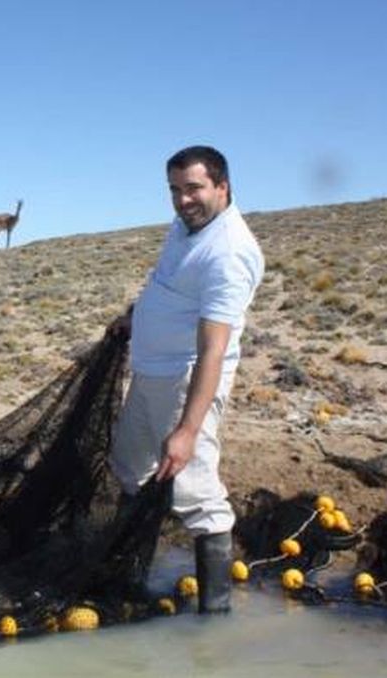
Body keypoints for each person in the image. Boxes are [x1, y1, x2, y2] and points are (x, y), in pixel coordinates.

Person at [109, 145, 264, 613]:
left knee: (196, 494)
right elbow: (166, 284)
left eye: (194, 188)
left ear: (223, 186)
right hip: (150, 374)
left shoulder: (229, 252)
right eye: (175, 190)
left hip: (184, 381)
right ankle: (128, 583)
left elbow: (213, 349)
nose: (182, 200)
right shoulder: (186, 227)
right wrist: (134, 318)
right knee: (130, 469)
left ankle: (212, 622)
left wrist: (188, 430)